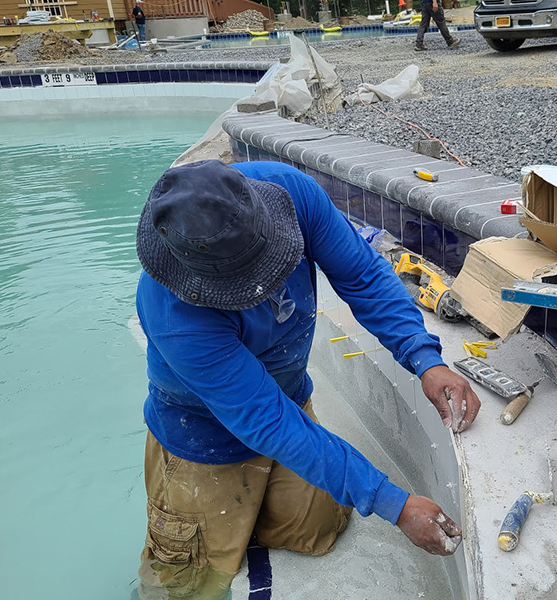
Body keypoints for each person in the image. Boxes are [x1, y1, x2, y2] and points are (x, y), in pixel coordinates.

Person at [134, 160, 481, 600]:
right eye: (246, 284)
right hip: (202, 434)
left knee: (318, 528)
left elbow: (363, 275)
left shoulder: (292, 193)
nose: (266, 289)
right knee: (186, 583)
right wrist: (395, 504)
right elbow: (268, 421)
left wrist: (423, 355)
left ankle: (256, 514)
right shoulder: (173, 312)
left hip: (289, 398)